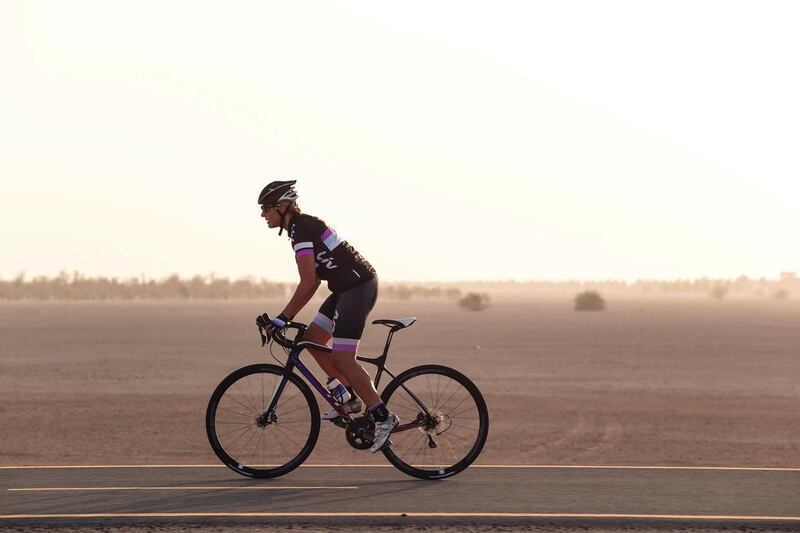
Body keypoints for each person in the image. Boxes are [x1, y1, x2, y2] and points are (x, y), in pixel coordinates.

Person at [257, 179, 398, 453]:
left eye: (265, 208)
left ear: (282, 206)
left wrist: (282, 318)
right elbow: (314, 281)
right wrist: (284, 317)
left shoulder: (301, 228)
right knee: (312, 340)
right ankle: (348, 396)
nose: (263, 214)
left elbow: (309, 282)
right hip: (345, 289)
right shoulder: (300, 228)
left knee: (344, 358)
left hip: (358, 287)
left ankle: (383, 417)